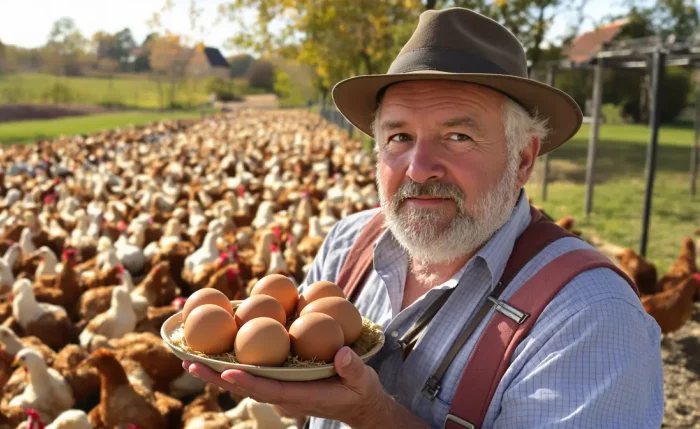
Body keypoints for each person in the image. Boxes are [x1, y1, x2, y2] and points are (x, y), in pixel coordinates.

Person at [183, 7, 664, 429]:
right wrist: (272, 383)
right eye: (399, 138)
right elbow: (301, 402)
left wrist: (374, 416)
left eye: (457, 136)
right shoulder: (348, 243)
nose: (418, 168)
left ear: (523, 159)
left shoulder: (588, 318)